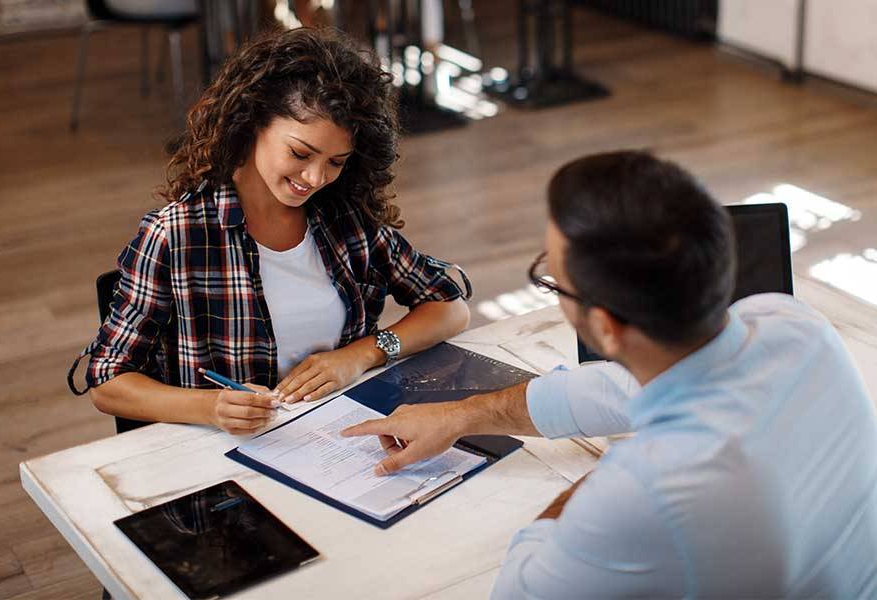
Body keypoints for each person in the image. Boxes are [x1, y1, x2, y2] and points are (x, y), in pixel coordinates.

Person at [342, 151, 877, 598]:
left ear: (604, 325)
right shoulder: (793, 325)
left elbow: (520, 591)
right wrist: (461, 415)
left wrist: (591, 490)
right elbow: (609, 389)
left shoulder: (646, 493)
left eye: (552, 278)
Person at [68, 27, 471, 435]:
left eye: (336, 162)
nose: (315, 178)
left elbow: (450, 309)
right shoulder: (175, 237)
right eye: (300, 153)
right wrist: (210, 408)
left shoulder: (344, 219)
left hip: (345, 441)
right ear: (253, 123)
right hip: (227, 463)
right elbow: (107, 380)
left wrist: (362, 354)